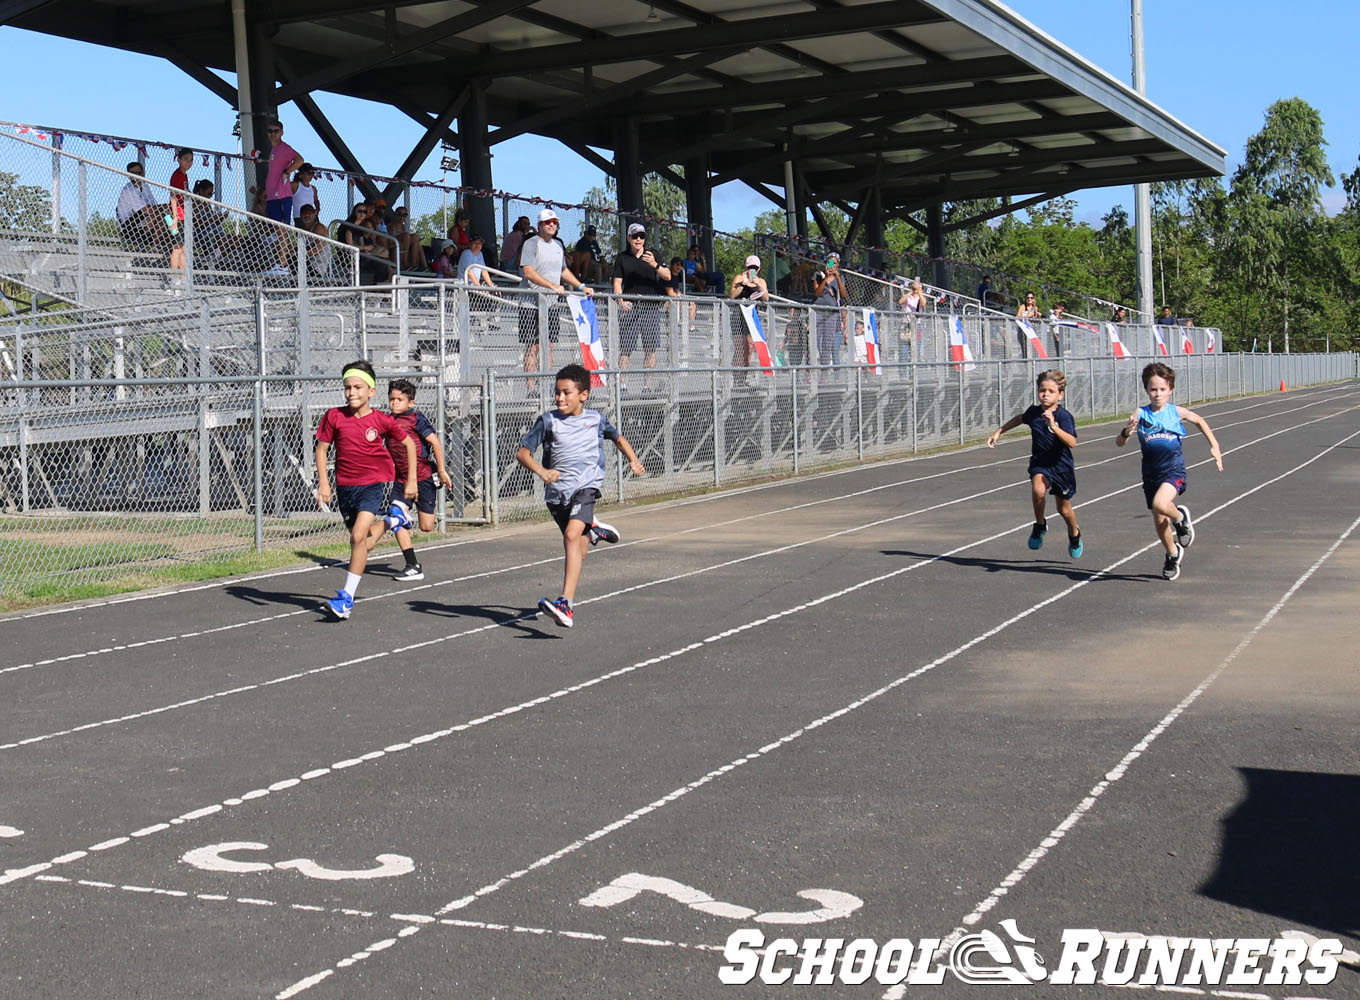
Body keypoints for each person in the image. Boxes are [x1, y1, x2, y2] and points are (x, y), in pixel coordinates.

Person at [515, 363, 646, 628]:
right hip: (557, 496)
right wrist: (542, 471)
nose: (560, 398)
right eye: (557, 392)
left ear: (583, 395)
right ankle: (593, 530)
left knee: (571, 536)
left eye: (566, 392)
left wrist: (633, 460)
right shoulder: (548, 421)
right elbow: (523, 453)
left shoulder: (596, 419)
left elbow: (618, 438)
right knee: (580, 548)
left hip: (586, 487)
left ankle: (566, 603)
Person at [313, 360, 418, 620]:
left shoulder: (381, 420)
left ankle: (346, 600)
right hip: (345, 487)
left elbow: (410, 445)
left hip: (372, 485)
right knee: (363, 543)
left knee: (358, 538)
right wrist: (324, 483)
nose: (352, 393)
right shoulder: (334, 416)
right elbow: (322, 449)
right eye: (347, 387)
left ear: (371, 391)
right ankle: (394, 520)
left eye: (358, 387)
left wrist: (412, 480)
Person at [1116, 362, 1223, 582]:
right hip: (1151, 474)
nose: (1158, 394)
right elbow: (1119, 443)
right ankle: (1173, 554)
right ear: (1146, 390)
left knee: (1160, 505)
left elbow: (1199, 420)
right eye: (1153, 389)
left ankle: (1181, 518)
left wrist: (1214, 446)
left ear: (1170, 390)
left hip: (1173, 469)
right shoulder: (1140, 414)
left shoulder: (1176, 412)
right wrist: (1126, 432)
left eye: (1162, 389)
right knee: (1159, 518)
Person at [986, 369, 1083, 558]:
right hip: (1041, 464)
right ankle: (1040, 524)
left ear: (1060, 395)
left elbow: (1072, 442)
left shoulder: (1064, 417)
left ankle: (1074, 533)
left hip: (1061, 467)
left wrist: (1053, 426)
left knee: (1063, 508)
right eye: (1042, 390)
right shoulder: (1034, 412)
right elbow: (1020, 418)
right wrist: (1000, 431)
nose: (1045, 394)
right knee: (1038, 490)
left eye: (1051, 391)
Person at [370, 378, 453, 581]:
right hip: (402, 479)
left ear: (410, 402)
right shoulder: (387, 421)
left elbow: (435, 443)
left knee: (426, 526)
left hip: (424, 477)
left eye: (400, 399)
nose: (395, 403)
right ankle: (412, 565)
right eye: (392, 399)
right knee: (395, 514)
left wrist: (441, 470)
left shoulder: (417, 419)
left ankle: (402, 518)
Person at [520, 207, 592, 387]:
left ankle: (547, 386)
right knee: (533, 347)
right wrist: (551, 285)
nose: (552, 225)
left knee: (549, 346)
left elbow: (563, 271)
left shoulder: (558, 245)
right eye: (548, 222)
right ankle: (531, 388)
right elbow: (528, 271)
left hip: (551, 304)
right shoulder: (531, 243)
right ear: (540, 225)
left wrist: (581, 286)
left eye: (554, 222)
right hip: (531, 305)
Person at [612, 222, 671, 391]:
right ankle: (622, 385)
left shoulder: (654, 254)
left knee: (650, 348)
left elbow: (667, 276)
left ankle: (647, 386)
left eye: (642, 236)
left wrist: (655, 265)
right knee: (625, 348)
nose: (638, 239)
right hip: (630, 307)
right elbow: (617, 282)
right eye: (635, 236)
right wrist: (621, 301)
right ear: (629, 238)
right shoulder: (622, 258)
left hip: (650, 307)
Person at [729, 253, 770, 376]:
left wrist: (758, 285)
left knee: (750, 346)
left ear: (759, 269)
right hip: (739, 314)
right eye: (750, 268)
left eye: (755, 268)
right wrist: (743, 284)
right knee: (740, 346)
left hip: (752, 314)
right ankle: (736, 376)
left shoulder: (761, 281)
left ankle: (743, 376)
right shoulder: (739, 278)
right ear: (746, 268)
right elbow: (732, 296)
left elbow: (766, 299)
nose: (752, 270)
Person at [115, 161, 168, 249]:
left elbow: (154, 205)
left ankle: (163, 240)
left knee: (164, 214)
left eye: (138, 173)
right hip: (128, 226)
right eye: (133, 174)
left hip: (144, 222)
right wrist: (163, 207)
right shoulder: (128, 190)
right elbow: (145, 209)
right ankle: (154, 245)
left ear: (143, 173)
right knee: (156, 213)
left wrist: (164, 208)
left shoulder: (145, 186)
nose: (136, 176)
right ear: (128, 175)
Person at [811, 250, 848, 376]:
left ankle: (824, 374)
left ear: (838, 265)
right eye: (830, 262)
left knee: (827, 344)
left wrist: (836, 276)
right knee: (815, 342)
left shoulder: (840, 278)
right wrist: (826, 277)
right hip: (818, 311)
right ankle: (811, 372)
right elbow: (817, 293)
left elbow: (843, 295)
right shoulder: (818, 274)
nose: (832, 265)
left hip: (832, 313)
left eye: (834, 263)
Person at [897, 278, 925, 362]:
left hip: (916, 326)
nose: (915, 290)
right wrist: (910, 292)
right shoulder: (909, 297)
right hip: (906, 324)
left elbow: (923, 304)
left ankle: (914, 373)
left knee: (916, 353)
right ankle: (903, 373)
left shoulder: (920, 298)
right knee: (903, 354)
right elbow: (900, 302)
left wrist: (919, 291)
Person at [1015, 290, 1041, 358]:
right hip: (1023, 330)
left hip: (1032, 330)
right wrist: (1027, 316)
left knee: (1032, 348)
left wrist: (1037, 314)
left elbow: (1035, 318)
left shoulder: (1035, 307)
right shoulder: (1023, 306)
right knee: (1024, 348)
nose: (1029, 299)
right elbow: (1017, 317)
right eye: (1028, 298)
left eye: (1031, 298)